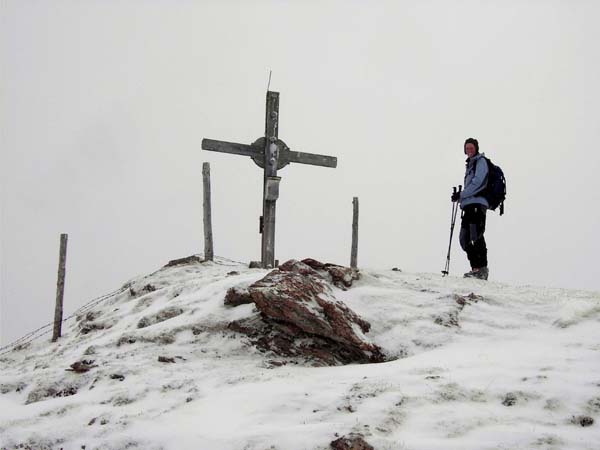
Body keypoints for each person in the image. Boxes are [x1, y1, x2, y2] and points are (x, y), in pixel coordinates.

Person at [451, 137, 489, 280]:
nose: (469, 150)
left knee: (476, 234)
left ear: (476, 148)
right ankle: (475, 268)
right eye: (467, 148)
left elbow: (478, 183)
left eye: (471, 148)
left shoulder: (481, 162)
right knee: (464, 238)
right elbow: (471, 186)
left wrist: (461, 194)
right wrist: (459, 197)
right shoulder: (470, 165)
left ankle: (482, 269)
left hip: (478, 204)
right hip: (468, 205)